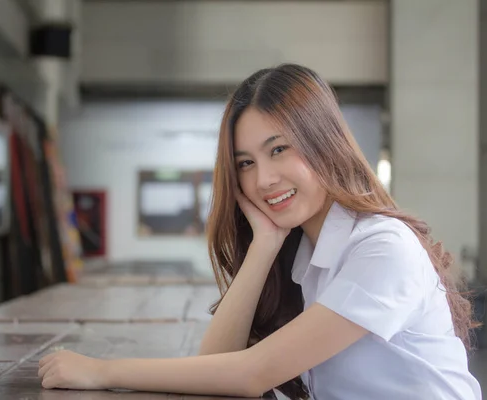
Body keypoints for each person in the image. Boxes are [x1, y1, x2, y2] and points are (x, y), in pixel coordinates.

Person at [37, 64, 482, 400]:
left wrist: (102, 372)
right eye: (246, 163)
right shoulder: (307, 253)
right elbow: (216, 368)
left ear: (323, 142)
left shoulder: (381, 248)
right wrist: (265, 245)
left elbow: (252, 373)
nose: (263, 179)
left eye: (279, 149)